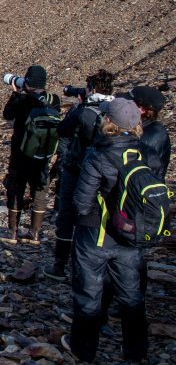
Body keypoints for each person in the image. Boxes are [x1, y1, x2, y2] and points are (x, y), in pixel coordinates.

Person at [66, 98, 147, 363]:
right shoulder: (147, 153)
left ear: (109, 123)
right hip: (131, 235)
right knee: (131, 293)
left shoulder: (99, 154)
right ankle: (135, 351)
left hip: (97, 233)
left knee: (89, 291)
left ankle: (83, 348)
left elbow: (81, 201)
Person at [49, 70, 115, 279]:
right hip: (108, 172)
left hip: (78, 169)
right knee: (96, 215)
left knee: (68, 214)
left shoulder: (83, 111)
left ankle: (60, 265)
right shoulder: (118, 110)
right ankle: (94, 266)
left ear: (92, 89)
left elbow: (63, 130)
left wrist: (79, 107)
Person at [3, 65, 61, 244]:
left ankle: (13, 233)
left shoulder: (23, 99)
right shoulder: (54, 99)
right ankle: (35, 234)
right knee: (40, 191)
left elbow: (7, 115)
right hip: (43, 154)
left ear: (27, 81)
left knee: (16, 189)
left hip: (20, 153)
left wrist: (16, 93)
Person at [124, 85, 171, 177]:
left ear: (142, 110)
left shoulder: (152, 134)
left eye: (129, 102)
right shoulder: (138, 126)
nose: (124, 106)